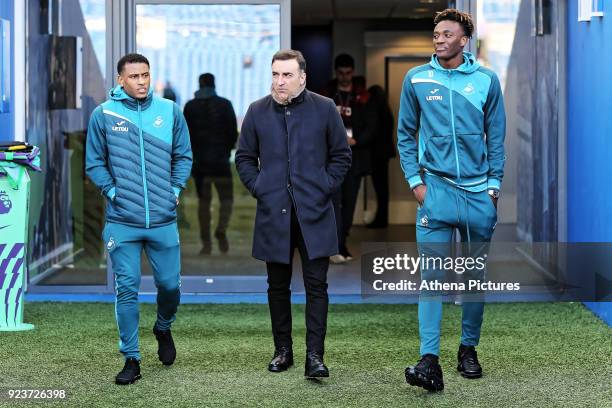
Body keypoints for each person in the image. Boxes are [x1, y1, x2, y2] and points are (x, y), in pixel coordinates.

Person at [397, 9, 505, 392]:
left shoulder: (487, 81)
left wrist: (493, 188)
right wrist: (416, 184)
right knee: (431, 279)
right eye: (436, 33)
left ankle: (468, 349)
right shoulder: (417, 79)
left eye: (447, 34)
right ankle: (429, 359)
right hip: (436, 192)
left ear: (464, 40)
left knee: (475, 279)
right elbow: (405, 135)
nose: (439, 39)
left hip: (478, 195)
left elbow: (497, 139)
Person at [235, 49, 351, 378]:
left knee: (317, 287)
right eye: (275, 74)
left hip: (314, 213)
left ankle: (315, 356)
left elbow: (341, 156)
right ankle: (282, 351)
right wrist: (261, 187)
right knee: (277, 287)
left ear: (302, 77)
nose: (280, 81)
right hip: (274, 213)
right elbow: (244, 158)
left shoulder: (325, 108)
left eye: (286, 75)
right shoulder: (257, 111)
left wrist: (323, 187)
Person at [86, 53, 193, 385]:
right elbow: (94, 163)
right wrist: (114, 192)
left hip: (162, 220)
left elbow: (184, 155)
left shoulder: (169, 111)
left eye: (146, 75)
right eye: (134, 76)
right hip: (122, 221)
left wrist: (174, 189)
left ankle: (163, 327)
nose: (142, 81)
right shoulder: (103, 115)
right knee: (127, 289)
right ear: (121, 80)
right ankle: (131, 358)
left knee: (170, 286)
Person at [322, 54, 378, 262]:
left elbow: (372, 125)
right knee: (333, 203)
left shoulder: (363, 96)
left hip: (355, 157)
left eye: (348, 73)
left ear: (352, 72)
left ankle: (341, 243)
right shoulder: (326, 95)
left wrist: (356, 140)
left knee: (349, 202)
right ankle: (335, 246)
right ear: (336, 73)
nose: (344, 77)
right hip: (331, 157)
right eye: (341, 73)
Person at [184, 73, 238, 254]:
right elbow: (233, 133)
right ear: (214, 84)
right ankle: (220, 231)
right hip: (221, 162)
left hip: (200, 164)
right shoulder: (225, 105)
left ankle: (206, 243)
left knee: (203, 203)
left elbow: (185, 137)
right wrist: (226, 150)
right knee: (227, 200)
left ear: (199, 84)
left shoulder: (190, 107)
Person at [366, 85, 395, 228]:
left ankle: (381, 219)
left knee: (380, 187)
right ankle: (382, 218)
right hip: (384, 154)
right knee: (383, 188)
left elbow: (373, 134)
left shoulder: (376, 113)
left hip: (377, 154)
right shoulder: (386, 112)